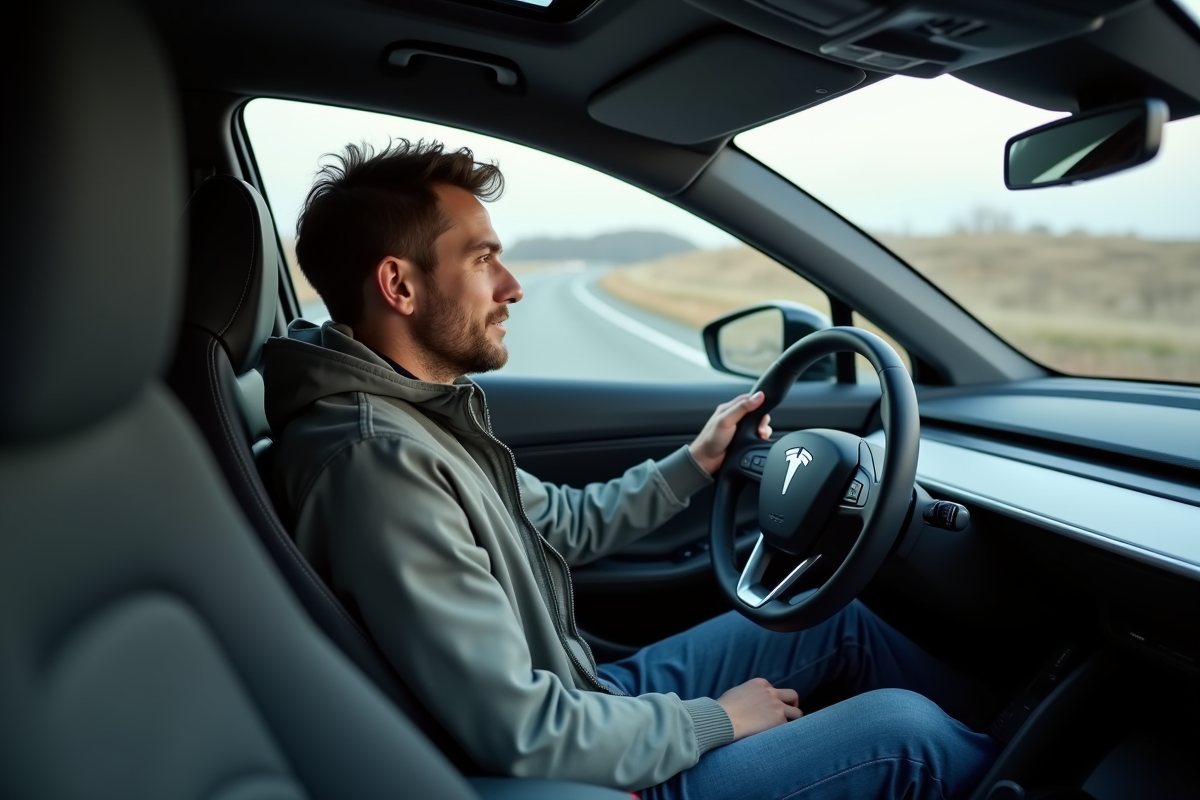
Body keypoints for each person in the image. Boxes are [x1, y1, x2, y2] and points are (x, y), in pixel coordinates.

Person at [263, 139, 998, 799]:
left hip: (589, 702)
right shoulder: (379, 463)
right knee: (909, 735)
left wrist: (697, 463)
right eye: (483, 259)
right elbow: (520, 734)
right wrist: (716, 720)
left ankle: (1016, 747)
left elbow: (558, 524)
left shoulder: (419, 416)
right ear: (399, 285)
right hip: (577, 771)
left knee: (837, 620)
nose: (513, 286)